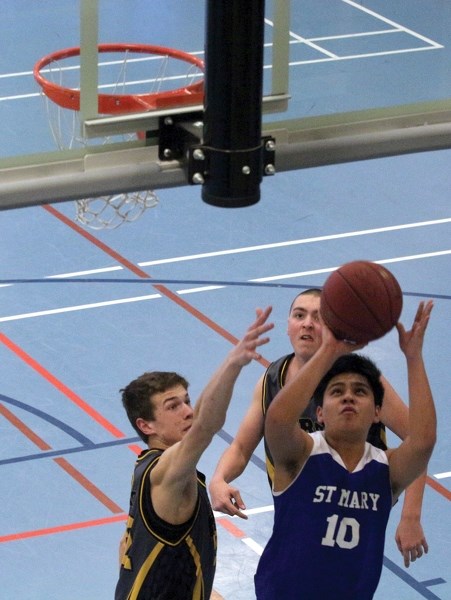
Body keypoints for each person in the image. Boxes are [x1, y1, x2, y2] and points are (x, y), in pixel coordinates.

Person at [209, 289, 429, 567]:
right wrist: (218, 479)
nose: (307, 324)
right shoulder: (271, 380)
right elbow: (240, 447)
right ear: (288, 326)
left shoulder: (361, 384)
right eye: (299, 315)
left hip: (353, 515)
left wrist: (411, 517)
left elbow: (418, 440)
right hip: (298, 514)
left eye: (318, 318)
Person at [254, 301, 435, 599]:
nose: (348, 396)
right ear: (320, 413)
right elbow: (277, 418)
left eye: (360, 391)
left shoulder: (385, 471)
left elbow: (423, 441)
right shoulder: (300, 455)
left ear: (378, 412)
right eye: (337, 391)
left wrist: (414, 358)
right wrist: (329, 350)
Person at [115, 307, 273, 600]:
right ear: (145, 425)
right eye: (173, 406)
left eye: (187, 401)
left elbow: (130, 553)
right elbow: (206, 425)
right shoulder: (167, 474)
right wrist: (233, 363)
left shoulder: (146, 469)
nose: (187, 412)